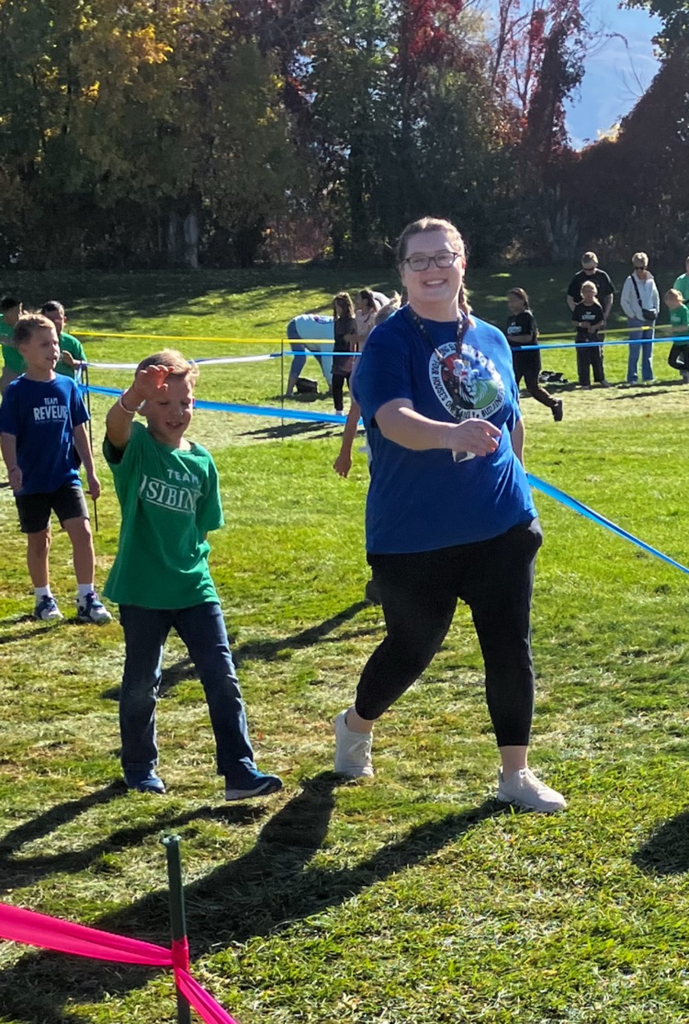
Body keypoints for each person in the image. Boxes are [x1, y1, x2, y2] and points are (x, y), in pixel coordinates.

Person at [333, 216, 566, 813]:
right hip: (414, 533)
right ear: (403, 273)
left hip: (500, 525)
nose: (433, 269)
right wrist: (452, 433)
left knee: (510, 646)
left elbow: (511, 418)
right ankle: (356, 725)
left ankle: (515, 774)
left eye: (444, 257)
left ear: (464, 262)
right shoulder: (390, 341)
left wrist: (521, 491)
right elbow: (392, 420)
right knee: (412, 648)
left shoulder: (493, 336)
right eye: (419, 260)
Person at [103, 348, 283, 800]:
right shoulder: (138, 448)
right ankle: (140, 767)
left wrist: (190, 564)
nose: (176, 413)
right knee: (142, 683)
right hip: (142, 589)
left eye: (184, 403)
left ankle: (239, 772)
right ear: (147, 406)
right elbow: (115, 429)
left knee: (222, 677)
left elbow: (202, 527)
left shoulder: (203, 461)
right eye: (163, 404)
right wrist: (134, 395)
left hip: (194, 586)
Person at [0, 314, 111, 623]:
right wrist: (12, 468)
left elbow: (79, 431)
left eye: (55, 343)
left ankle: (87, 597)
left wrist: (90, 470)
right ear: (23, 348)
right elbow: (6, 434)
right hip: (31, 480)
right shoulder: (16, 392)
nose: (53, 350)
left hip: (65, 476)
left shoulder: (67, 385)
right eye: (44, 344)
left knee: (83, 532)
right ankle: (43, 598)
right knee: (39, 540)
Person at [333, 293, 402, 604]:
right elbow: (354, 410)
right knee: (388, 511)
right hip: (385, 457)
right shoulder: (370, 365)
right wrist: (345, 451)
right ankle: (382, 574)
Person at [504, 288, 563, 420]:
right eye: (509, 302)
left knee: (532, 387)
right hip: (515, 359)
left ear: (523, 300)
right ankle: (514, 415)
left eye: (514, 301)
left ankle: (554, 403)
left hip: (530, 358)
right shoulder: (511, 319)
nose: (511, 304)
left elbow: (527, 338)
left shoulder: (527, 317)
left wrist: (508, 338)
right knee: (512, 386)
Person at [620, 252, 660, 384]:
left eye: (641, 267)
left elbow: (655, 297)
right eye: (636, 267)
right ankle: (632, 377)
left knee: (648, 348)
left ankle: (648, 376)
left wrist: (656, 311)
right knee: (635, 350)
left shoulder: (651, 280)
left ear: (646, 266)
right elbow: (624, 301)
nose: (639, 270)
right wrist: (633, 315)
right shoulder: (630, 281)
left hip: (650, 317)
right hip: (636, 319)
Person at [571, 280, 611, 390]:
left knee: (597, 358)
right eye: (586, 291)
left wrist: (594, 327)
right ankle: (584, 382)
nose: (588, 294)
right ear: (582, 293)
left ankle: (601, 379)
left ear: (595, 292)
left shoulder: (597, 307)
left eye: (590, 291)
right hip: (581, 336)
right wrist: (581, 324)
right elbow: (574, 321)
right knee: (583, 360)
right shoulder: (579, 307)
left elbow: (601, 321)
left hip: (594, 336)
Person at [284, 314, 334, 396]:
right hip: (296, 327)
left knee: (321, 359)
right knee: (300, 358)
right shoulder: (330, 336)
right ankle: (289, 392)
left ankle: (331, 387)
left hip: (311, 334)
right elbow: (327, 360)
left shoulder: (334, 327)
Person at [40, 301, 87, 379]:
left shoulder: (72, 343)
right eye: (49, 320)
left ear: (64, 320)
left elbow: (85, 367)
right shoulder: (34, 340)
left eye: (58, 319)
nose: (54, 323)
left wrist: (72, 362)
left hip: (65, 387)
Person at [566, 252, 615, 322]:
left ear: (596, 264)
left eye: (591, 269)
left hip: (599, 315)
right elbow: (569, 298)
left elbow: (609, 296)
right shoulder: (577, 278)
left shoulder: (602, 276)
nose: (588, 272)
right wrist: (578, 313)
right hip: (582, 318)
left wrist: (606, 313)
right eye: (585, 269)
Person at [331, 292, 357, 417]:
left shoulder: (352, 321)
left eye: (339, 306)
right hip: (337, 355)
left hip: (348, 356)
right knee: (336, 383)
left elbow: (350, 338)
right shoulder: (337, 321)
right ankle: (338, 410)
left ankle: (356, 410)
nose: (337, 309)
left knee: (351, 385)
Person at [0, 297, 25, 394]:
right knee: (6, 392)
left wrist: (9, 342)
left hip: (27, 366)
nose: (20, 314)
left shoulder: (24, 325)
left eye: (20, 311)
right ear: (7, 312)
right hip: (10, 367)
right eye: (16, 311)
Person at [665, 289, 689, 383]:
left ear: (676, 300)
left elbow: (686, 326)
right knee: (672, 361)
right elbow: (675, 324)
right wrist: (671, 332)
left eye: (671, 303)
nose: (670, 306)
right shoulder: (672, 310)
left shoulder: (683, 310)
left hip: (686, 342)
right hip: (677, 341)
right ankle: (686, 369)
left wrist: (673, 330)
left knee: (687, 361)